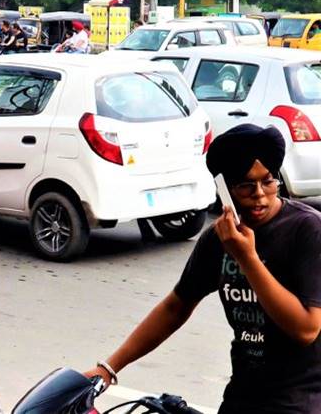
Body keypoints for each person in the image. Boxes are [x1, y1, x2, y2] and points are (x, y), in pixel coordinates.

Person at [86, 124, 321, 413]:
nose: (260, 194)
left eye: (268, 182)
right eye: (246, 185)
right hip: (243, 395)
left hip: (300, 401)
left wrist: (247, 258)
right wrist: (109, 368)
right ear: (223, 189)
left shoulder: (307, 229)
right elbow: (176, 306)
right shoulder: (218, 238)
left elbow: (307, 329)